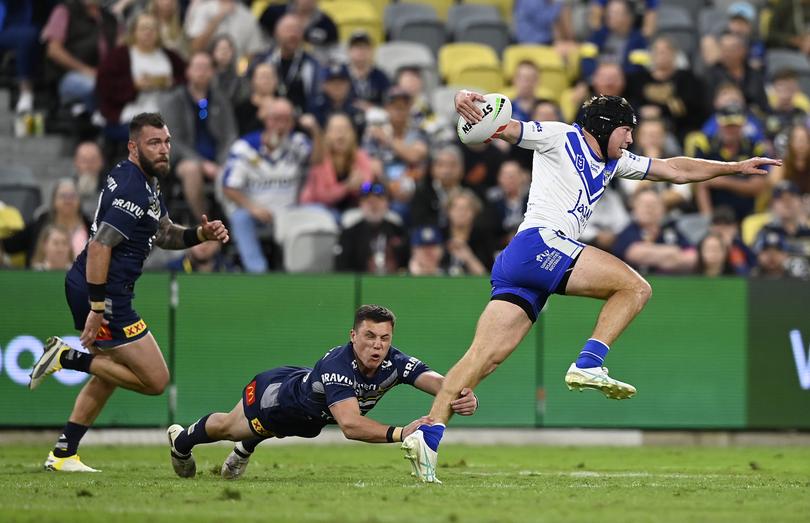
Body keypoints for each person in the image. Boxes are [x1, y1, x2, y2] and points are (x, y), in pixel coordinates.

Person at [400, 90, 779, 483]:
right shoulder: (560, 136)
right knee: (635, 288)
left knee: (484, 358)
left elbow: (674, 169)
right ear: (603, 127)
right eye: (626, 131)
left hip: (523, 262)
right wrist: (468, 100)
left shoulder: (614, 162)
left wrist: (733, 167)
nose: (630, 140)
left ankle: (428, 434)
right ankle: (589, 362)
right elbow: (503, 128)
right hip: (540, 245)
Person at [27, 113, 230, 472]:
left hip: (104, 290)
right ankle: (67, 357)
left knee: (110, 373)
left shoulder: (145, 182)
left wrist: (201, 235)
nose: (164, 149)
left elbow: (164, 233)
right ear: (133, 147)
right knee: (155, 380)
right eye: (155, 142)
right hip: (105, 293)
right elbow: (101, 246)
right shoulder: (133, 187)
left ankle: (62, 453)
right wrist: (97, 306)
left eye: (167, 141)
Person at [166, 305, 478, 479]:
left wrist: (460, 393)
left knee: (303, 426)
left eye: (384, 338)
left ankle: (246, 448)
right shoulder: (338, 366)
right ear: (353, 335)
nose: (378, 345)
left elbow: (438, 381)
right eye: (369, 336)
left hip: (309, 416)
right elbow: (351, 426)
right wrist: (402, 433)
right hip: (274, 398)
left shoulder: (394, 360)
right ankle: (181, 441)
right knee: (228, 428)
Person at [219, 97, 321, 273]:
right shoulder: (244, 147)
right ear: (266, 120)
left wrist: (315, 131)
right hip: (256, 212)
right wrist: (253, 207)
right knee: (240, 218)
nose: (280, 126)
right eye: (276, 119)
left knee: (324, 214)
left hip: (290, 212)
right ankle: (257, 271)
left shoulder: (298, 143)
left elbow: (319, 160)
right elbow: (228, 187)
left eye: (286, 120)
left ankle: (301, 272)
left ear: (292, 123)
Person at [159, 51, 238, 220]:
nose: (201, 72)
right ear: (188, 71)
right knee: (192, 170)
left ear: (212, 72)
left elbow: (230, 134)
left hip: (218, 157)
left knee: (238, 167)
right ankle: (205, 222)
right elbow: (174, 140)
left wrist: (224, 161)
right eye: (197, 67)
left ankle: (233, 222)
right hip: (183, 159)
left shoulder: (220, 99)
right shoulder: (174, 100)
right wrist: (203, 164)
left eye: (206, 68)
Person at [300, 113, 375, 214]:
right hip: (317, 209)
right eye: (335, 130)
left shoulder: (361, 156)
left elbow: (368, 186)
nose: (341, 134)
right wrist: (347, 187)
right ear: (326, 135)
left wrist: (361, 186)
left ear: (353, 134)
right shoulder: (320, 158)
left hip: (352, 209)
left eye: (345, 129)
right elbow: (322, 196)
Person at [335, 182, 409, 274]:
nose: (374, 205)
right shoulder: (349, 234)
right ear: (360, 204)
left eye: (378, 201)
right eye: (369, 202)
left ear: (387, 204)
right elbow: (341, 268)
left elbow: (408, 263)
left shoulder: (398, 231)